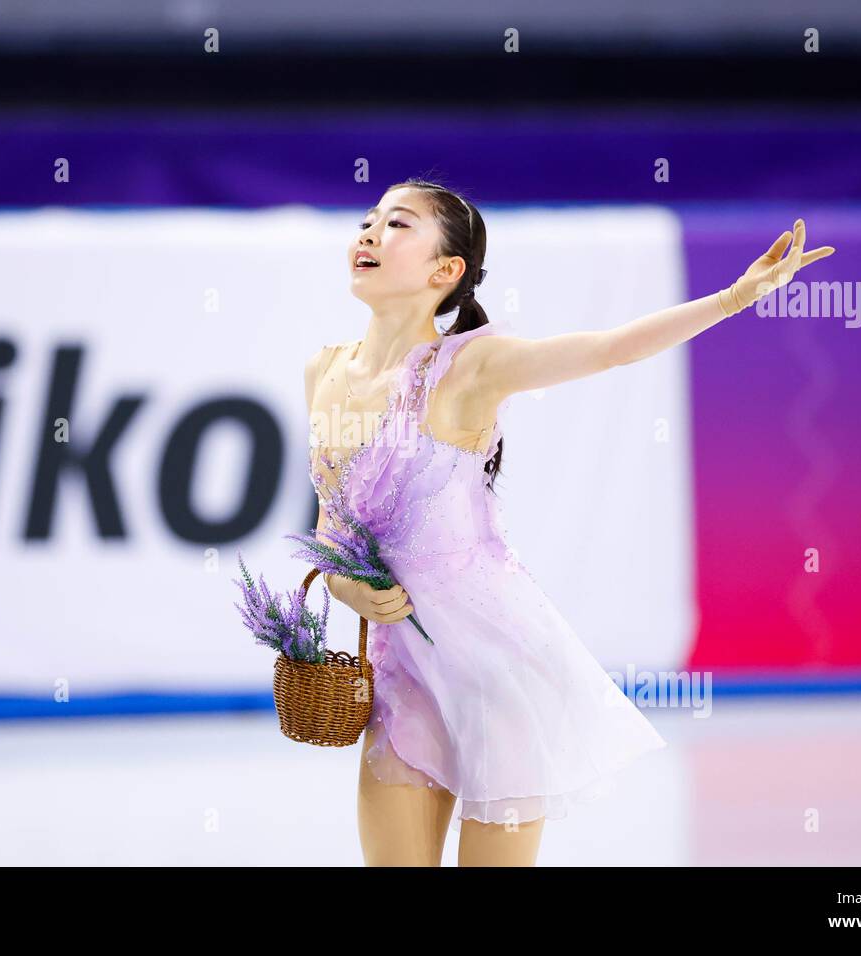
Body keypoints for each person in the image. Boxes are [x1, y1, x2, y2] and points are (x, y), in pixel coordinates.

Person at [303, 177, 834, 866]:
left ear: (445, 270)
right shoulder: (324, 372)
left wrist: (735, 298)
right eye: (368, 220)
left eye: (398, 224)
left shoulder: (471, 366)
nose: (370, 233)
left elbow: (611, 348)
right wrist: (344, 587)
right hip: (401, 681)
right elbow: (330, 528)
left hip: (498, 677)